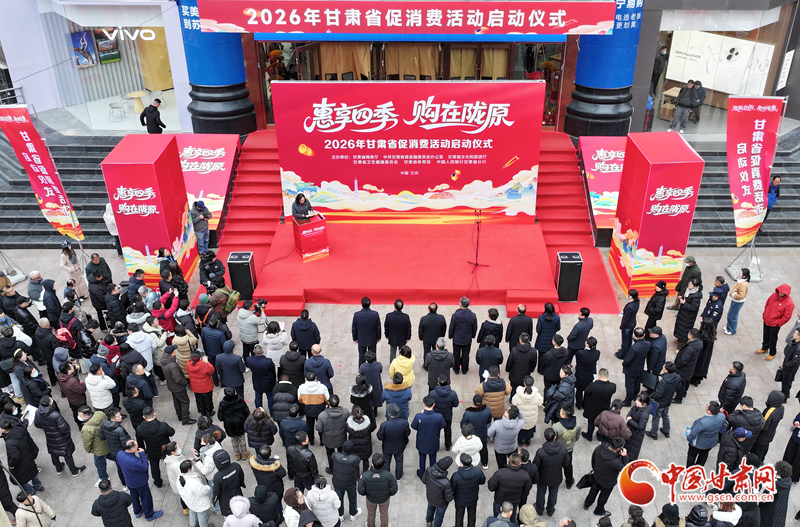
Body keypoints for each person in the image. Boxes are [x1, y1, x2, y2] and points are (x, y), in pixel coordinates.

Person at [33, 395, 86, 478]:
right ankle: (74, 471)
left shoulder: (37, 412)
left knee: (54, 453)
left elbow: (37, 424)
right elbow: (64, 428)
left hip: (50, 438)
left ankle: (59, 468)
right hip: (61, 438)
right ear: (50, 403)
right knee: (67, 454)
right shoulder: (55, 415)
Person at [117, 439, 164, 521]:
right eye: (136, 446)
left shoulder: (120, 454)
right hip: (140, 482)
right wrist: (142, 454)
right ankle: (149, 514)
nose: (138, 447)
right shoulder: (133, 461)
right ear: (132, 449)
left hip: (129, 481)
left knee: (134, 497)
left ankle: (137, 511)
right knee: (146, 498)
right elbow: (145, 466)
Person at [583, 436, 628, 517]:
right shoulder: (615, 462)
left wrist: (594, 467)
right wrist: (625, 456)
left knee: (593, 490)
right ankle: (599, 510)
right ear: (618, 449)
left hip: (597, 476)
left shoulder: (600, 448)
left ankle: (587, 504)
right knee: (603, 496)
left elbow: (593, 457)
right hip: (608, 482)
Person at [533, 428, 568, 518]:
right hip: (556, 476)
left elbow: (536, 465)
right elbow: (567, 463)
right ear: (555, 437)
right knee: (553, 493)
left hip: (543, 477)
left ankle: (539, 509)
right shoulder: (563, 450)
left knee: (541, 493)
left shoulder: (540, 452)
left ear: (544, 436)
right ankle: (550, 510)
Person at [136, 406, 174, 487]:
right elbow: (172, 432)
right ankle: (174, 478)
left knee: (154, 467)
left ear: (144, 417)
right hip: (165, 450)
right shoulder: (163, 425)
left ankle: (158, 482)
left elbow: (140, 444)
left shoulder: (140, 429)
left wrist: (144, 452)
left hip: (152, 451)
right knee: (171, 463)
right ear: (154, 414)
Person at [357, 454, 398, 527]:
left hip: (371, 499)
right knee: (384, 513)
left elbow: (360, 490)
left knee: (371, 513)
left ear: (372, 464)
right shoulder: (388, 475)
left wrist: (366, 493)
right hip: (384, 499)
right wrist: (388, 494)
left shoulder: (365, 475)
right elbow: (394, 489)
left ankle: (370, 525)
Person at [757, 284, 795, 361]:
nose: (780, 293)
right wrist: (765, 314)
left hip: (775, 324)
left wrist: (778, 323)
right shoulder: (774, 295)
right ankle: (765, 348)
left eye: (782, 292)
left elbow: (787, 316)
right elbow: (767, 304)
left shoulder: (789, 303)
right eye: (780, 291)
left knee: (772, 338)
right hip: (767, 319)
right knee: (766, 335)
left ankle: (772, 353)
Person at [412, 395, 447, 478]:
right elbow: (443, 425)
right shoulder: (438, 416)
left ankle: (422, 474)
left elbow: (414, 426)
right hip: (433, 442)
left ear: (424, 404)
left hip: (422, 442)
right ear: (433, 405)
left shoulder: (419, 416)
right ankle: (432, 475)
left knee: (422, 458)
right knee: (433, 459)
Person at [315, 394, 350, 473]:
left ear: (328, 403)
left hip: (328, 440)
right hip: (341, 438)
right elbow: (349, 422)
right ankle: (342, 467)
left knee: (330, 454)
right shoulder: (345, 412)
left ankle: (332, 469)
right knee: (341, 453)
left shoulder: (322, 415)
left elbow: (318, 428)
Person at [686, 401, 726, 467]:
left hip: (698, 444)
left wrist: (689, 438)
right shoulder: (722, 416)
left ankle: (690, 470)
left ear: (709, 411)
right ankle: (699, 469)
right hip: (711, 442)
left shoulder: (702, 422)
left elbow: (693, 434)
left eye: (707, 406)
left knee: (691, 456)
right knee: (703, 455)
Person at [162, 345, 195, 425]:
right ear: (172, 354)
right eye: (174, 350)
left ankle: (180, 415)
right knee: (185, 402)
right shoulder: (173, 365)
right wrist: (185, 382)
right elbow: (178, 379)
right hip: (178, 388)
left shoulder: (163, 360)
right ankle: (185, 419)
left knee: (177, 401)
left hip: (171, 386)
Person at [647, 362, 681, 440]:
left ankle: (653, 433)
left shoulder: (663, 381)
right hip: (668, 401)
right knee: (665, 415)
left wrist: (651, 396)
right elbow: (678, 387)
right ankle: (666, 430)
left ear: (666, 370)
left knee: (656, 417)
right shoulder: (678, 377)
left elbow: (658, 393)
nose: (663, 366)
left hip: (659, 402)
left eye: (664, 366)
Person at [451, 453, 486, 527]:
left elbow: (452, 488)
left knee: (459, 516)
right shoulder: (478, 471)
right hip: (473, 498)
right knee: (472, 515)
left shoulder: (456, 476)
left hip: (460, 500)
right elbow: (482, 481)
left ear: (461, 464)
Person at [99, 408, 131, 489]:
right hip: (122, 452)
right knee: (124, 468)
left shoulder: (103, 425)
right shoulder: (119, 430)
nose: (121, 417)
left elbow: (102, 437)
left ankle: (124, 484)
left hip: (113, 451)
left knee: (119, 468)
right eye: (118, 416)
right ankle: (128, 482)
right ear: (113, 419)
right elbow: (125, 443)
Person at [79, 406, 110, 487]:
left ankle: (103, 477)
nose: (79, 417)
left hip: (98, 449)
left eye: (80, 416)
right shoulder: (100, 414)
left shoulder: (86, 428)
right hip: (108, 442)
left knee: (99, 464)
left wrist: (88, 450)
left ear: (87, 416)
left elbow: (87, 442)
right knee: (112, 455)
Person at [376, 403, 410, 480]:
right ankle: (398, 476)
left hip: (387, 447)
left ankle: (387, 477)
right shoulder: (404, 423)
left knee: (386, 462)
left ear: (389, 414)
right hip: (399, 446)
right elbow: (407, 433)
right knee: (399, 461)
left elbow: (379, 437)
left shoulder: (384, 425)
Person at [581, 368, 615, 441]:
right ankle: (600, 436)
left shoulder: (594, 385)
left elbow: (586, 391)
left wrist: (594, 382)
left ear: (599, 376)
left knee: (591, 422)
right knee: (602, 423)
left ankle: (589, 435)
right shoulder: (612, 386)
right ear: (608, 376)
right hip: (604, 408)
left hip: (593, 407)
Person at [218, 386, 251, 460]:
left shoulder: (222, 404)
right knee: (242, 438)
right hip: (240, 424)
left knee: (234, 439)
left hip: (229, 426)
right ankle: (244, 453)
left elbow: (220, 417)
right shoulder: (240, 401)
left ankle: (237, 454)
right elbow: (246, 412)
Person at [331, 440, 361, 521]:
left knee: (339, 499)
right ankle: (353, 513)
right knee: (352, 498)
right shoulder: (355, 459)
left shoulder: (335, 455)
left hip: (338, 483)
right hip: (350, 483)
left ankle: (340, 515)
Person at [298, 371, 330, 446]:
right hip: (320, 410)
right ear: (315, 378)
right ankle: (322, 441)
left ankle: (311, 440)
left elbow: (300, 400)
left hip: (308, 409)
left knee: (310, 426)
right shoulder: (322, 387)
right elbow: (327, 399)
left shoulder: (301, 387)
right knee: (321, 426)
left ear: (305, 379)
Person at [449, 297, 478, 375]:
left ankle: (456, 369)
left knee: (456, 354)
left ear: (460, 304)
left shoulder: (455, 315)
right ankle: (464, 369)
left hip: (457, 339)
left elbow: (452, 326)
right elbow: (474, 327)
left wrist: (450, 335)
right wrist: (472, 335)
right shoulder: (473, 316)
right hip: (467, 339)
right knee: (465, 354)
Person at [212, 449, 246, 516]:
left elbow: (216, 492)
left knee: (229, 518)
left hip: (226, 503)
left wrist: (214, 500)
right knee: (242, 512)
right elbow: (241, 477)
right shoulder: (236, 466)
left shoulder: (217, 476)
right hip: (238, 496)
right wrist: (242, 484)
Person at [423, 456, 454, 527]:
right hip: (441, 503)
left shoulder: (429, 470)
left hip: (430, 497)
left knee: (430, 509)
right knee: (439, 516)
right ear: (446, 469)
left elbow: (424, 481)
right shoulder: (446, 482)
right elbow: (449, 498)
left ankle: (429, 522)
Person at [430, 375, 459, 450]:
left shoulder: (432, 393)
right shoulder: (453, 393)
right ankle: (448, 445)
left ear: (438, 383)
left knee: (436, 431)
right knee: (448, 430)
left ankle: (436, 445)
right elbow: (456, 404)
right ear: (448, 382)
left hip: (436, 415)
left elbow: (429, 404)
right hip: (447, 415)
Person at [621, 328, 650, 406]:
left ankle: (628, 401)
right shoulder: (647, 344)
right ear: (644, 335)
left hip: (631, 370)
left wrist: (624, 364)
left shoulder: (634, 348)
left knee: (629, 386)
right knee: (637, 383)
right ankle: (635, 395)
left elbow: (627, 360)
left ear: (634, 335)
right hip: (640, 367)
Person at [673, 329, 703, 404]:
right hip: (690, 367)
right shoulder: (699, 343)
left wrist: (676, 365)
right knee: (686, 381)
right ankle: (684, 393)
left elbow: (683, 361)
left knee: (682, 383)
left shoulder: (689, 349)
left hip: (684, 369)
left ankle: (678, 398)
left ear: (690, 336)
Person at [512, 376, 543, 447]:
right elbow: (540, 403)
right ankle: (527, 441)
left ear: (524, 383)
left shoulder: (518, 395)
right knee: (529, 429)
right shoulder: (537, 395)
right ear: (533, 384)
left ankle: (520, 441)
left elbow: (514, 403)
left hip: (521, 419)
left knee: (520, 430)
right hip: (531, 419)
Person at [759, 460, 791, 527]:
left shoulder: (774, 485)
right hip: (780, 510)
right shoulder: (788, 480)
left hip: (770, 512)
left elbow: (764, 500)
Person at [352, 297, 381, 366]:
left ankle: (362, 369)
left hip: (361, 339)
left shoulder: (357, 315)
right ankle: (374, 368)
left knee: (362, 355)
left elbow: (354, 328)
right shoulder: (375, 314)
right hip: (372, 339)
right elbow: (378, 327)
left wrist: (355, 338)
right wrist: (378, 337)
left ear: (361, 304)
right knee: (373, 355)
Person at [247, 344, 276, 411]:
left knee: (258, 397)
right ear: (262, 351)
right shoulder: (268, 361)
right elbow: (273, 370)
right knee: (270, 397)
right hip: (268, 382)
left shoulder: (249, 360)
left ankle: (259, 411)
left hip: (257, 382)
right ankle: (271, 412)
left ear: (253, 351)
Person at [187, 353, 216, 417]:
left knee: (199, 399)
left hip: (195, 386)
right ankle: (209, 411)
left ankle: (202, 412)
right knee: (208, 399)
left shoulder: (188, 365)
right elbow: (211, 371)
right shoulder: (204, 365)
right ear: (200, 358)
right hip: (206, 386)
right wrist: (207, 362)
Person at [574, 337, 600, 410]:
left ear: (587, 344)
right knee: (588, 390)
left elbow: (578, 361)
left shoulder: (581, 353)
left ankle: (578, 404)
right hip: (590, 373)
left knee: (579, 390)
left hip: (581, 373)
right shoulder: (597, 353)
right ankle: (585, 404)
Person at [383, 299, 411, 363]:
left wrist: (387, 335)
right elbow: (408, 328)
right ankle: (402, 364)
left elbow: (386, 327)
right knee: (403, 352)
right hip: (402, 337)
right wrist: (408, 337)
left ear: (394, 307)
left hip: (392, 337)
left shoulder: (389, 316)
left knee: (392, 352)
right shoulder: (405, 317)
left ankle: (392, 365)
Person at [724, 268, 750, 335]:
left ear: (744, 276)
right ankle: (729, 327)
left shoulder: (743, 284)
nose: (739, 273)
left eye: (740, 273)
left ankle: (732, 330)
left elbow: (741, 295)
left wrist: (734, 295)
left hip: (737, 302)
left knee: (732, 316)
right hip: (735, 301)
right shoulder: (741, 281)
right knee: (731, 315)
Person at [624, 393, 650, 460]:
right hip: (630, 430)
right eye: (637, 400)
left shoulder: (644, 414)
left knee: (632, 451)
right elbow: (631, 411)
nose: (636, 402)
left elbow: (640, 426)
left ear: (644, 403)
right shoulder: (636, 406)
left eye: (639, 401)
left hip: (636, 435)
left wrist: (630, 420)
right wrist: (629, 417)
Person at [616, 290, 640, 360]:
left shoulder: (629, 306)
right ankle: (628, 351)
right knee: (629, 338)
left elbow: (625, 318)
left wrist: (622, 326)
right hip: (632, 323)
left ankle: (623, 354)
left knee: (625, 340)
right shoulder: (637, 303)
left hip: (627, 325)